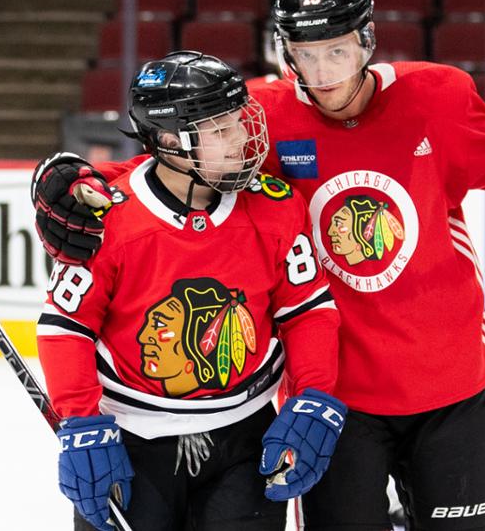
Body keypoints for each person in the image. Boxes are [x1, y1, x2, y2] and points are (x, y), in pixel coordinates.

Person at [33, 0, 485, 529]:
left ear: (367, 41)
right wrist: (72, 184)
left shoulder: (439, 97)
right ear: (284, 53)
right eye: (305, 56)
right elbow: (170, 168)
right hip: (335, 396)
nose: (323, 75)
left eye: (338, 52)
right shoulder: (261, 115)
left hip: (447, 379)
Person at [35, 51, 347, 531]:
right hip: (132, 442)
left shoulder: (275, 208)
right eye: (221, 131)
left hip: (247, 441)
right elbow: (65, 326)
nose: (243, 140)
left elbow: (306, 310)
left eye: (239, 122)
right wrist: (81, 424)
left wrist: (314, 396)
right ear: (167, 140)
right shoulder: (109, 220)